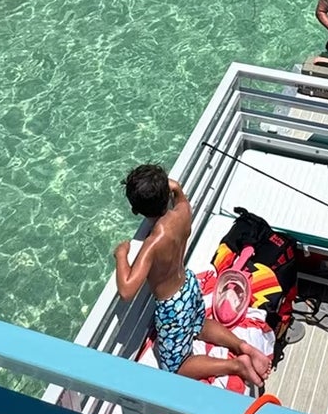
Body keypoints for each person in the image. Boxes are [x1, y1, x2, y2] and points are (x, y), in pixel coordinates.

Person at [114, 165, 271, 389]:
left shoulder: (152, 244)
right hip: (189, 285)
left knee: (175, 367)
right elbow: (179, 193)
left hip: (172, 306)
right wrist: (174, 188)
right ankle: (243, 346)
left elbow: (127, 290)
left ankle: (236, 365)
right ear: (166, 193)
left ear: (135, 210)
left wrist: (121, 256)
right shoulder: (183, 212)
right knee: (198, 324)